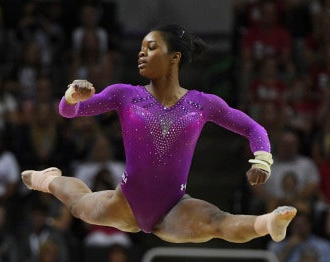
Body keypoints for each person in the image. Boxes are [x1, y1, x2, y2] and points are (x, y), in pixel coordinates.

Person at [21, 24, 297, 244]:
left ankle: (268, 223)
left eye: (151, 48)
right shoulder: (125, 94)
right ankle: (47, 179)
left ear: (174, 57)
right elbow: (69, 112)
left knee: (217, 222)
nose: (141, 53)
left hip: (174, 207)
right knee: (79, 204)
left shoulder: (203, 103)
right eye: (141, 48)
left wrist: (263, 159)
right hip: (126, 201)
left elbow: (253, 128)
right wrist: (71, 95)